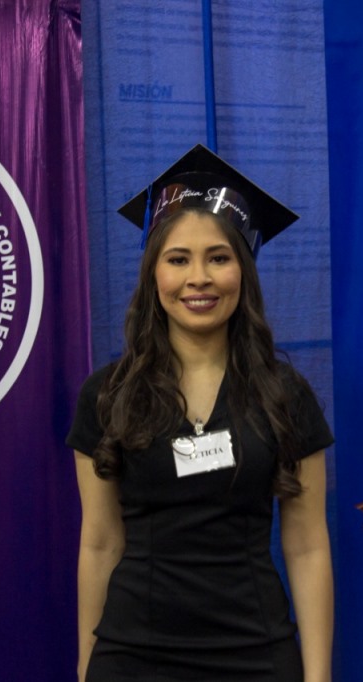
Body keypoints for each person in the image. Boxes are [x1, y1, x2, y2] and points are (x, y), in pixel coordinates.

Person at [68, 144, 334, 682]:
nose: (199, 278)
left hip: (255, 651)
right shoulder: (107, 395)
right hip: (132, 657)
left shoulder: (285, 394)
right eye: (178, 259)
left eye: (219, 257)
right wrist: (85, 664)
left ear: (243, 270)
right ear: (153, 274)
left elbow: (306, 546)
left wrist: (318, 675)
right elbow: (100, 541)